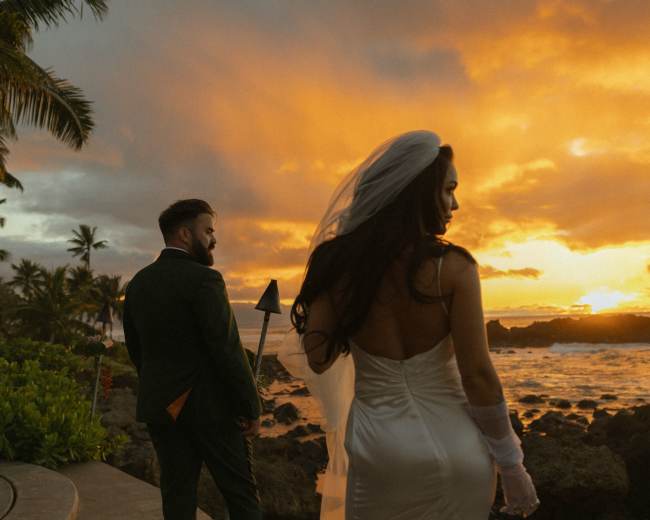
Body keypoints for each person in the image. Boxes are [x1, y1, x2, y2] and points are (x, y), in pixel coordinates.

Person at [279, 131, 540, 519]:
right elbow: (479, 376)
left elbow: (318, 358)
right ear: (418, 192)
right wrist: (512, 464)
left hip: (380, 452)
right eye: (449, 190)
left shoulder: (335, 266)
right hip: (459, 451)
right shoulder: (453, 268)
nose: (456, 203)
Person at [123, 199, 263, 520]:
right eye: (208, 230)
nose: (214, 238)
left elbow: (137, 350)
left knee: (177, 498)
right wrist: (250, 406)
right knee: (241, 497)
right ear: (185, 234)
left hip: (161, 410)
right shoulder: (205, 280)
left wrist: (162, 388)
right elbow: (227, 349)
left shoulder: (138, 284)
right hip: (211, 411)